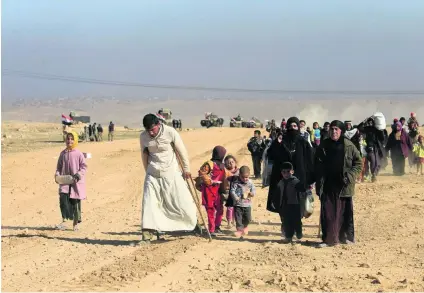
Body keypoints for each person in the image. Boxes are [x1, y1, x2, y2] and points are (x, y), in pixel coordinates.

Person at [139, 114, 197, 243]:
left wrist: (186, 169)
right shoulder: (143, 137)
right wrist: (147, 171)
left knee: (181, 200)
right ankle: (147, 235)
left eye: (152, 129)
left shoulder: (170, 132)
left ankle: (193, 224)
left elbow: (181, 150)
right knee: (149, 202)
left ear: (158, 124)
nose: (150, 132)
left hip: (171, 172)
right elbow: (144, 155)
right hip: (152, 173)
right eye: (148, 130)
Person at [315, 120, 362, 248]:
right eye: (332, 129)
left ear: (341, 131)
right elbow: (317, 163)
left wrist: (350, 176)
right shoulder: (324, 145)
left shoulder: (349, 146)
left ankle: (345, 238)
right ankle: (329, 239)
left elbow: (358, 163)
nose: (334, 131)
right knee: (328, 213)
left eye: (336, 129)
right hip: (328, 185)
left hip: (343, 185)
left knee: (343, 214)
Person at [266, 117, 315, 231]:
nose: (292, 128)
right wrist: (276, 144)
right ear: (286, 127)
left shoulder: (303, 143)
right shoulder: (281, 141)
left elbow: (310, 161)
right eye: (290, 126)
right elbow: (270, 155)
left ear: (298, 127)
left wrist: (310, 179)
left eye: (295, 126)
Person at [55, 131, 87, 231]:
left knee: (75, 203)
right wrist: (57, 175)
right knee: (63, 201)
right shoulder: (62, 153)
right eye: (68, 139)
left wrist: (78, 175)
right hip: (64, 182)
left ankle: (75, 224)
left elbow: (84, 167)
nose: (70, 141)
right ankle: (64, 221)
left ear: (75, 140)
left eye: (72, 139)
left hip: (75, 183)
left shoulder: (78, 154)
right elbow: (59, 167)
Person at [272, 162, 307, 243]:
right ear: (281, 173)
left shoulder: (296, 182)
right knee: (287, 221)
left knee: (297, 220)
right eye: (284, 172)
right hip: (285, 206)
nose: (286, 174)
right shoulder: (280, 183)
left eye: (288, 171)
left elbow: (303, 190)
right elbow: (277, 194)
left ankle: (299, 232)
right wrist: (274, 202)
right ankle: (288, 236)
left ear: (292, 172)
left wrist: (306, 187)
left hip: (295, 205)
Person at [198, 146, 227, 236]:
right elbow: (202, 173)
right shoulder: (209, 164)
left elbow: (223, 178)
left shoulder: (222, 165)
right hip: (208, 190)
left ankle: (217, 226)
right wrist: (208, 180)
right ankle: (212, 229)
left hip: (217, 190)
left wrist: (224, 190)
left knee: (220, 209)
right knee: (210, 210)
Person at [229, 166, 255, 238]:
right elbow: (232, 190)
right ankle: (239, 230)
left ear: (249, 175)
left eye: (246, 177)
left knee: (248, 218)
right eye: (242, 177)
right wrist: (235, 197)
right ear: (239, 175)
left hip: (247, 204)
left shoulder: (250, 182)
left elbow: (253, 190)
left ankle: (245, 226)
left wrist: (252, 193)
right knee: (238, 218)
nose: (244, 179)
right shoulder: (236, 183)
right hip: (238, 204)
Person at [357, 117, 385, 182]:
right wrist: (364, 121)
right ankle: (373, 175)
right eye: (369, 122)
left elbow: (382, 138)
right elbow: (358, 127)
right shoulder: (366, 129)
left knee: (378, 163)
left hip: (377, 148)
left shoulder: (376, 129)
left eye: (371, 122)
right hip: (369, 148)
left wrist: (381, 130)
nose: (370, 123)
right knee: (373, 161)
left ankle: (374, 174)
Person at [223, 155, 239, 228]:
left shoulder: (238, 171)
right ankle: (229, 222)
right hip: (228, 193)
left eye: (232, 162)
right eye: (228, 162)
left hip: (237, 193)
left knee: (236, 208)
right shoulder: (224, 171)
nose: (231, 163)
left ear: (235, 162)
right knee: (230, 208)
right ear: (225, 164)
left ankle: (234, 221)